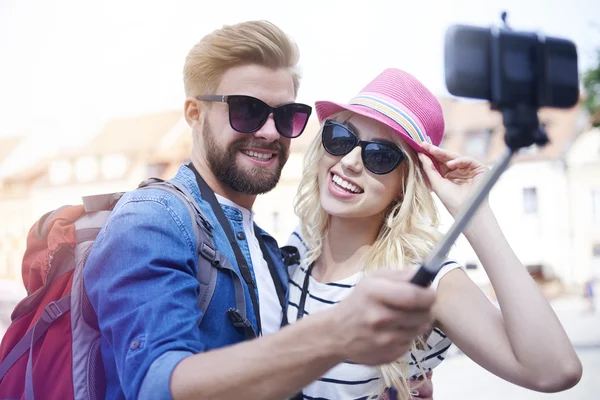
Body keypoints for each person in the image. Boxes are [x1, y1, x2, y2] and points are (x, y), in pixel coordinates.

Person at [83, 21, 436, 400]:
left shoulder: (267, 249)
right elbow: (157, 387)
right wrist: (334, 333)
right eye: (247, 111)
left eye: (286, 116)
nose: (269, 132)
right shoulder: (152, 219)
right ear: (194, 113)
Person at [286, 68, 583, 400]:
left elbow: (555, 369)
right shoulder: (295, 249)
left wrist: (475, 212)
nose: (351, 161)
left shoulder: (420, 280)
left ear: (406, 182)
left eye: (380, 156)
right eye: (341, 137)